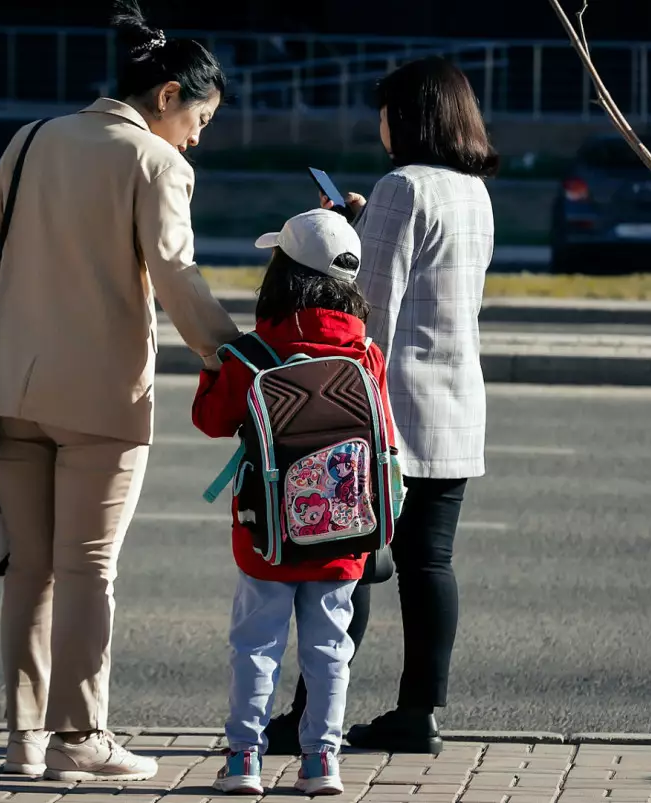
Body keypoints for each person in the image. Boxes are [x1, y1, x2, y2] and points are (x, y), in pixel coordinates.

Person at [0, 0, 240, 782]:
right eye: (201, 120)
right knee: (88, 570)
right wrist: (234, 351)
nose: (198, 137)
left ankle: (23, 740)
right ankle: (80, 738)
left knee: (29, 572)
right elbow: (179, 279)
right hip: (102, 401)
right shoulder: (156, 162)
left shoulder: (30, 139)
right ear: (167, 98)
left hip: (8, 386)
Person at [264, 56, 499, 756]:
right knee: (430, 563)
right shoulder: (472, 191)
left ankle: (312, 715)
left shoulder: (401, 185)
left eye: (385, 111)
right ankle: (419, 712)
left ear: (410, 115)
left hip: (390, 407)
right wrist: (368, 225)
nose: (380, 124)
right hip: (456, 403)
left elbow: (371, 312)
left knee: (352, 560)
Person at [191, 209, 396, 796]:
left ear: (281, 274)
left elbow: (210, 420)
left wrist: (214, 369)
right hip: (345, 531)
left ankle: (244, 760)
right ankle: (320, 762)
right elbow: (382, 437)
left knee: (256, 644)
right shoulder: (365, 355)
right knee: (330, 648)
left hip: (268, 534)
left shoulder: (254, 354)